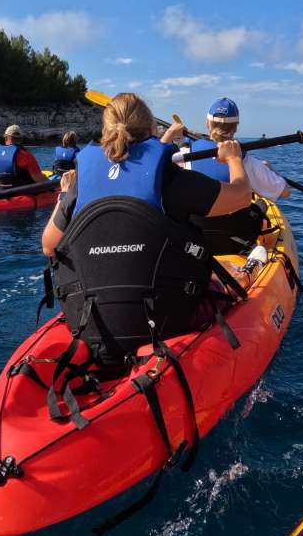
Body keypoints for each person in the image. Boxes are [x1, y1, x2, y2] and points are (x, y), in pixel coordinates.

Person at [39, 92, 253, 367]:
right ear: (152, 130)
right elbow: (241, 196)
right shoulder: (171, 178)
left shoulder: (81, 181)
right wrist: (234, 158)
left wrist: (64, 195)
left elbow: (48, 245)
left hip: (93, 321)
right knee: (233, 275)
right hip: (165, 319)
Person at [176, 98, 290, 255]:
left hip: (194, 241)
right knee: (261, 205)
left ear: (207, 123)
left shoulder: (184, 155)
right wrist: (270, 169)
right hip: (236, 242)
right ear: (235, 127)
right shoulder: (248, 162)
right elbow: (285, 192)